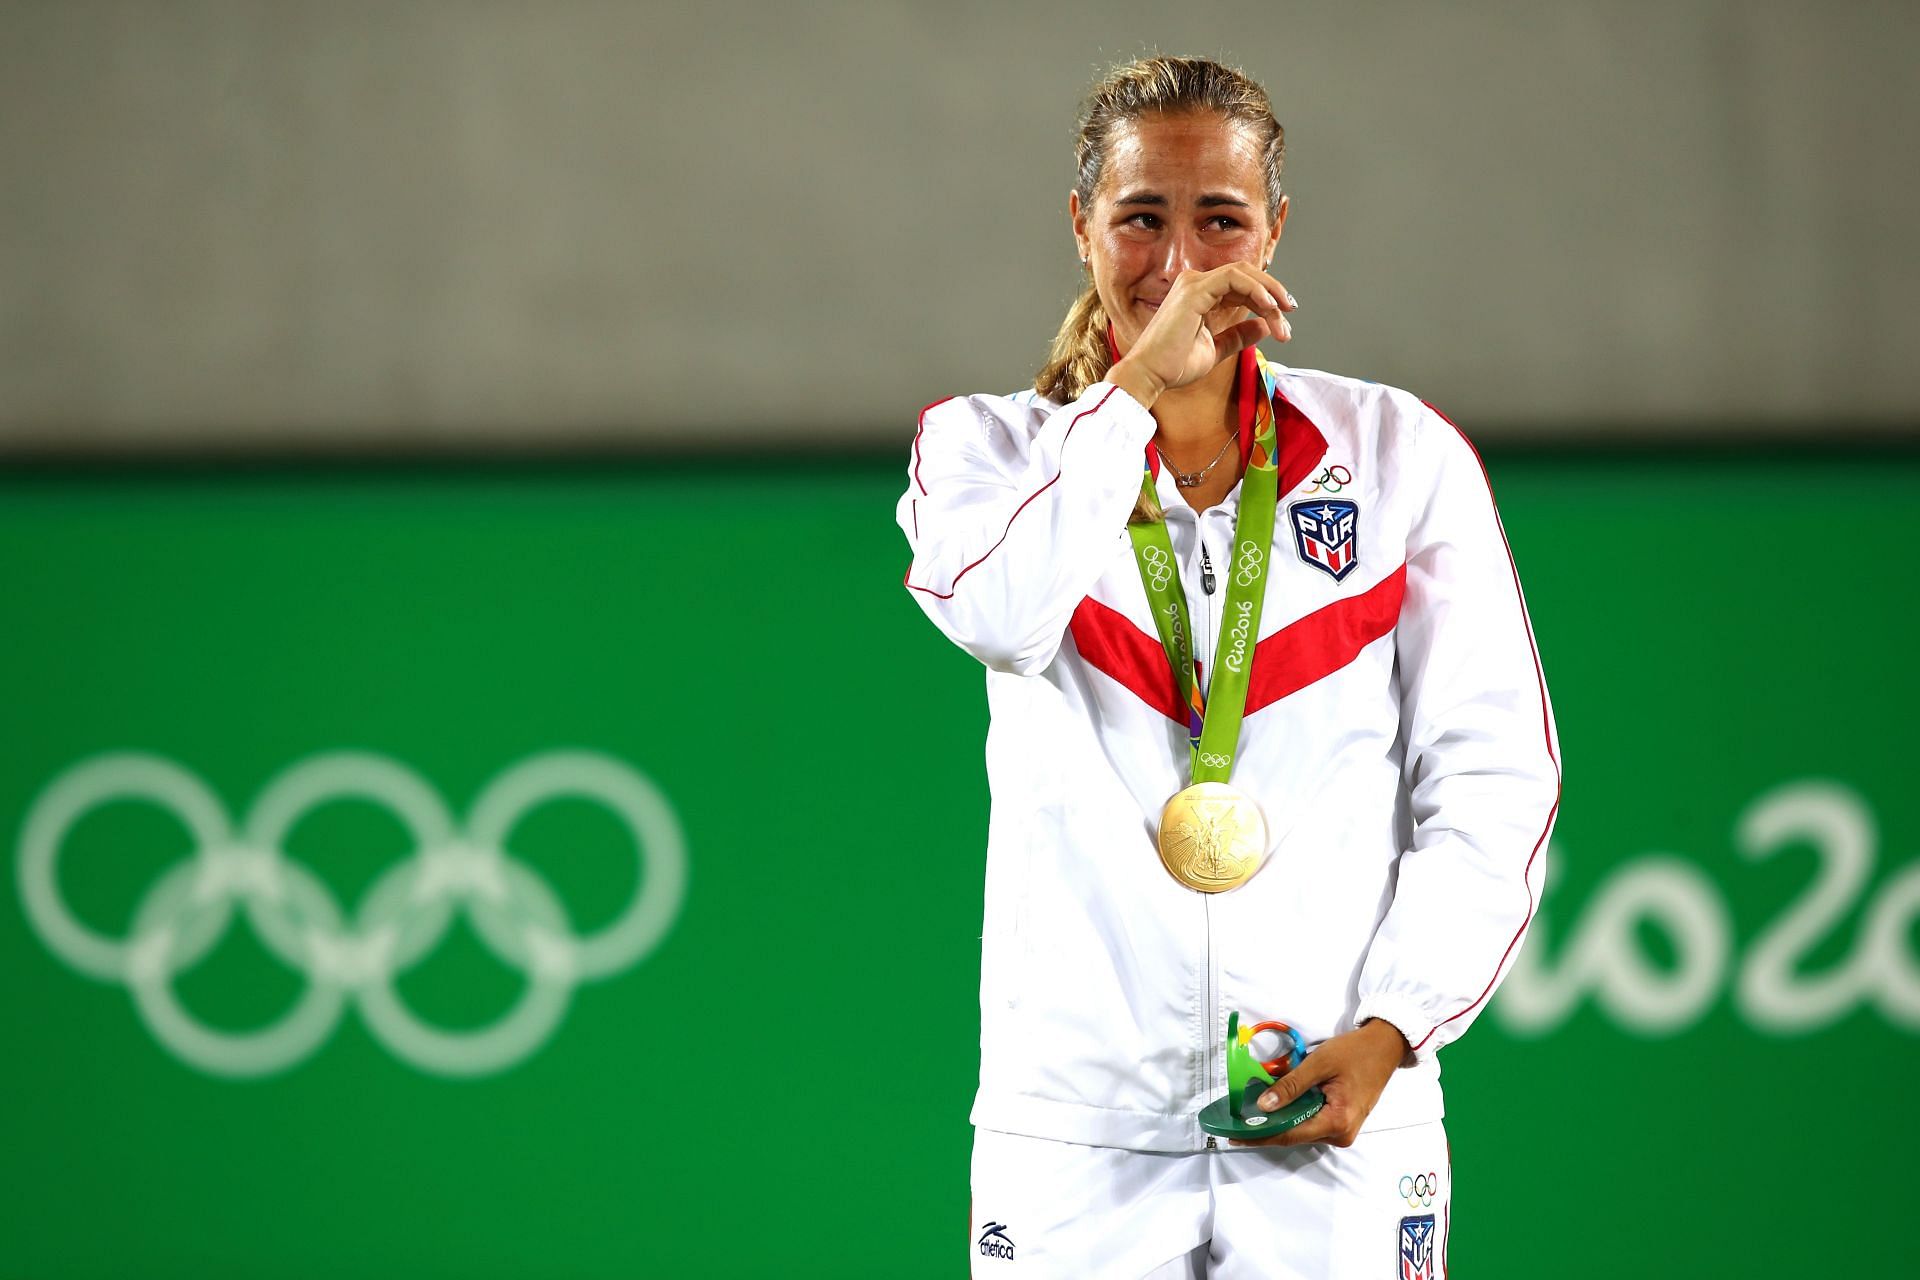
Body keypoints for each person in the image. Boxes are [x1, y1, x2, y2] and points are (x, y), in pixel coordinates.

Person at [897, 55, 1560, 1280]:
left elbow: (1493, 779)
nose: (1182, 264)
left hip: (1334, 1111)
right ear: (1082, 225)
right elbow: (998, 612)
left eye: (1222, 221)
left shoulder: (1394, 454)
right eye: (1142, 218)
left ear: (1276, 230)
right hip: (1079, 1134)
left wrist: (1397, 1025)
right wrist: (1135, 390)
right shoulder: (986, 451)